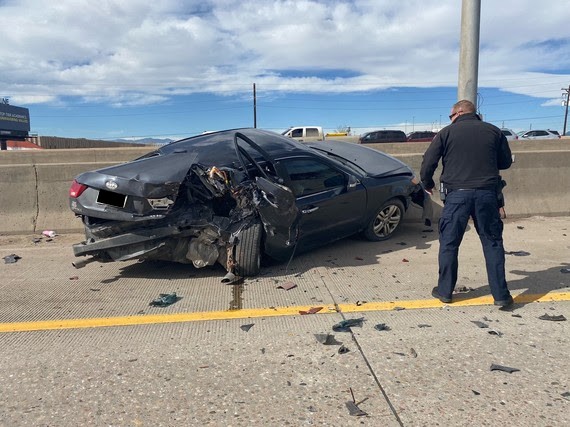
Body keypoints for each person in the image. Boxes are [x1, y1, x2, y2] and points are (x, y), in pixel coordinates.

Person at [420, 99, 514, 307]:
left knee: (449, 244)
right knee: (492, 243)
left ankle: (445, 291)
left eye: (450, 115)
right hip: (487, 195)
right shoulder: (494, 131)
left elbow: (428, 162)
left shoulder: (446, 133)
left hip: (456, 197)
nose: (450, 119)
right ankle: (501, 295)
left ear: (459, 112)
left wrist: (427, 183)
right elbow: (505, 162)